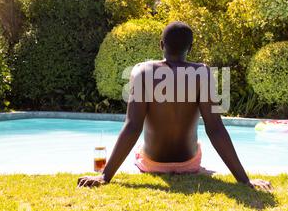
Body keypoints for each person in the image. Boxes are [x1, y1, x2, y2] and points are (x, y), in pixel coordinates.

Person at [78, 22, 273, 192]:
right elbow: (215, 128)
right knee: (199, 143)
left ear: (161, 45)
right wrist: (244, 180)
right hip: (189, 163)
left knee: (140, 146)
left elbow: (132, 127)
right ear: (191, 47)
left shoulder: (142, 71)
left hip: (151, 163)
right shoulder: (202, 73)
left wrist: (105, 176)